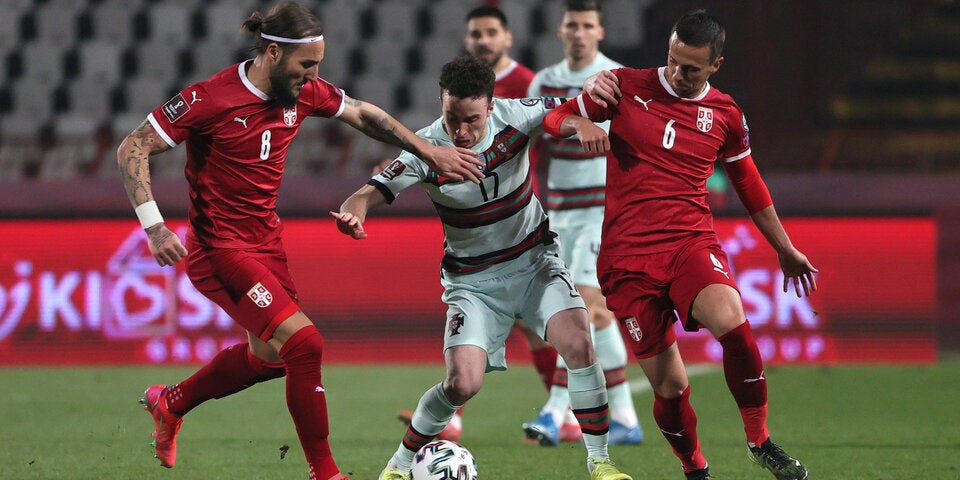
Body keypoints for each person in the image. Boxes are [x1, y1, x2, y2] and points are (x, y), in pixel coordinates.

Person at [116, 3, 483, 478]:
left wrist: (428, 150)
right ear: (273, 53)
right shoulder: (211, 98)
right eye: (306, 64)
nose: (314, 75)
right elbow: (133, 146)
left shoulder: (303, 91)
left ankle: (171, 403)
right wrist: (154, 226)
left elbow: (362, 113)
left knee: (270, 359)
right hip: (219, 249)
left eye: (318, 64)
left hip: (266, 244)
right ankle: (325, 472)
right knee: (305, 343)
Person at [332, 55, 632, 480]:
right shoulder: (426, 148)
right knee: (462, 384)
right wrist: (354, 213)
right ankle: (398, 466)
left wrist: (579, 123)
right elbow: (364, 194)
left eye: (472, 119)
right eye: (452, 118)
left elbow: (565, 109)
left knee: (580, 344)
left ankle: (600, 462)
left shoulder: (515, 115)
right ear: (441, 105)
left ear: (492, 106)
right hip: (473, 283)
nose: (461, 131)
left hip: (535, 264)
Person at [546, 9, 815, 480]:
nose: (677, 73)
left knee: (734, 325)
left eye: (691, 68)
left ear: (716, 65)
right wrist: (580, 124)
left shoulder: (726, 114)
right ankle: (695, 468)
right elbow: (555, 118)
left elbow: (749, 183)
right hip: (627, 261)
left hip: (689, 243)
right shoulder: (623, 86)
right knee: (670, 387)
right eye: (672, 60)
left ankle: (760, 441)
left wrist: (785, 248)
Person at [394, 5, 556, 443]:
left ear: (508, 38)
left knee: (532, 318)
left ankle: (562, 410)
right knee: (510, 320)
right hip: (478, 218)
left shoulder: (526, 85)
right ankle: (556, 411)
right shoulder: (460, 90)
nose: (482, 40)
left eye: (490, 32)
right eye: (475, 33)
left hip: (523, 216)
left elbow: (551, 126)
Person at [521, 0, 642, 448]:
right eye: (572, 25)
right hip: (559, 214)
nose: (578, 32)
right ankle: (626, 417)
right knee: (596, 315)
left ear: (600, 32)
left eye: (587, 25)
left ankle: (555, 411)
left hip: (601, 212)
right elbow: (530, 142)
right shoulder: (544, 81)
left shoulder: (615, 79)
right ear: (561, 30)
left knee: (584, 308)